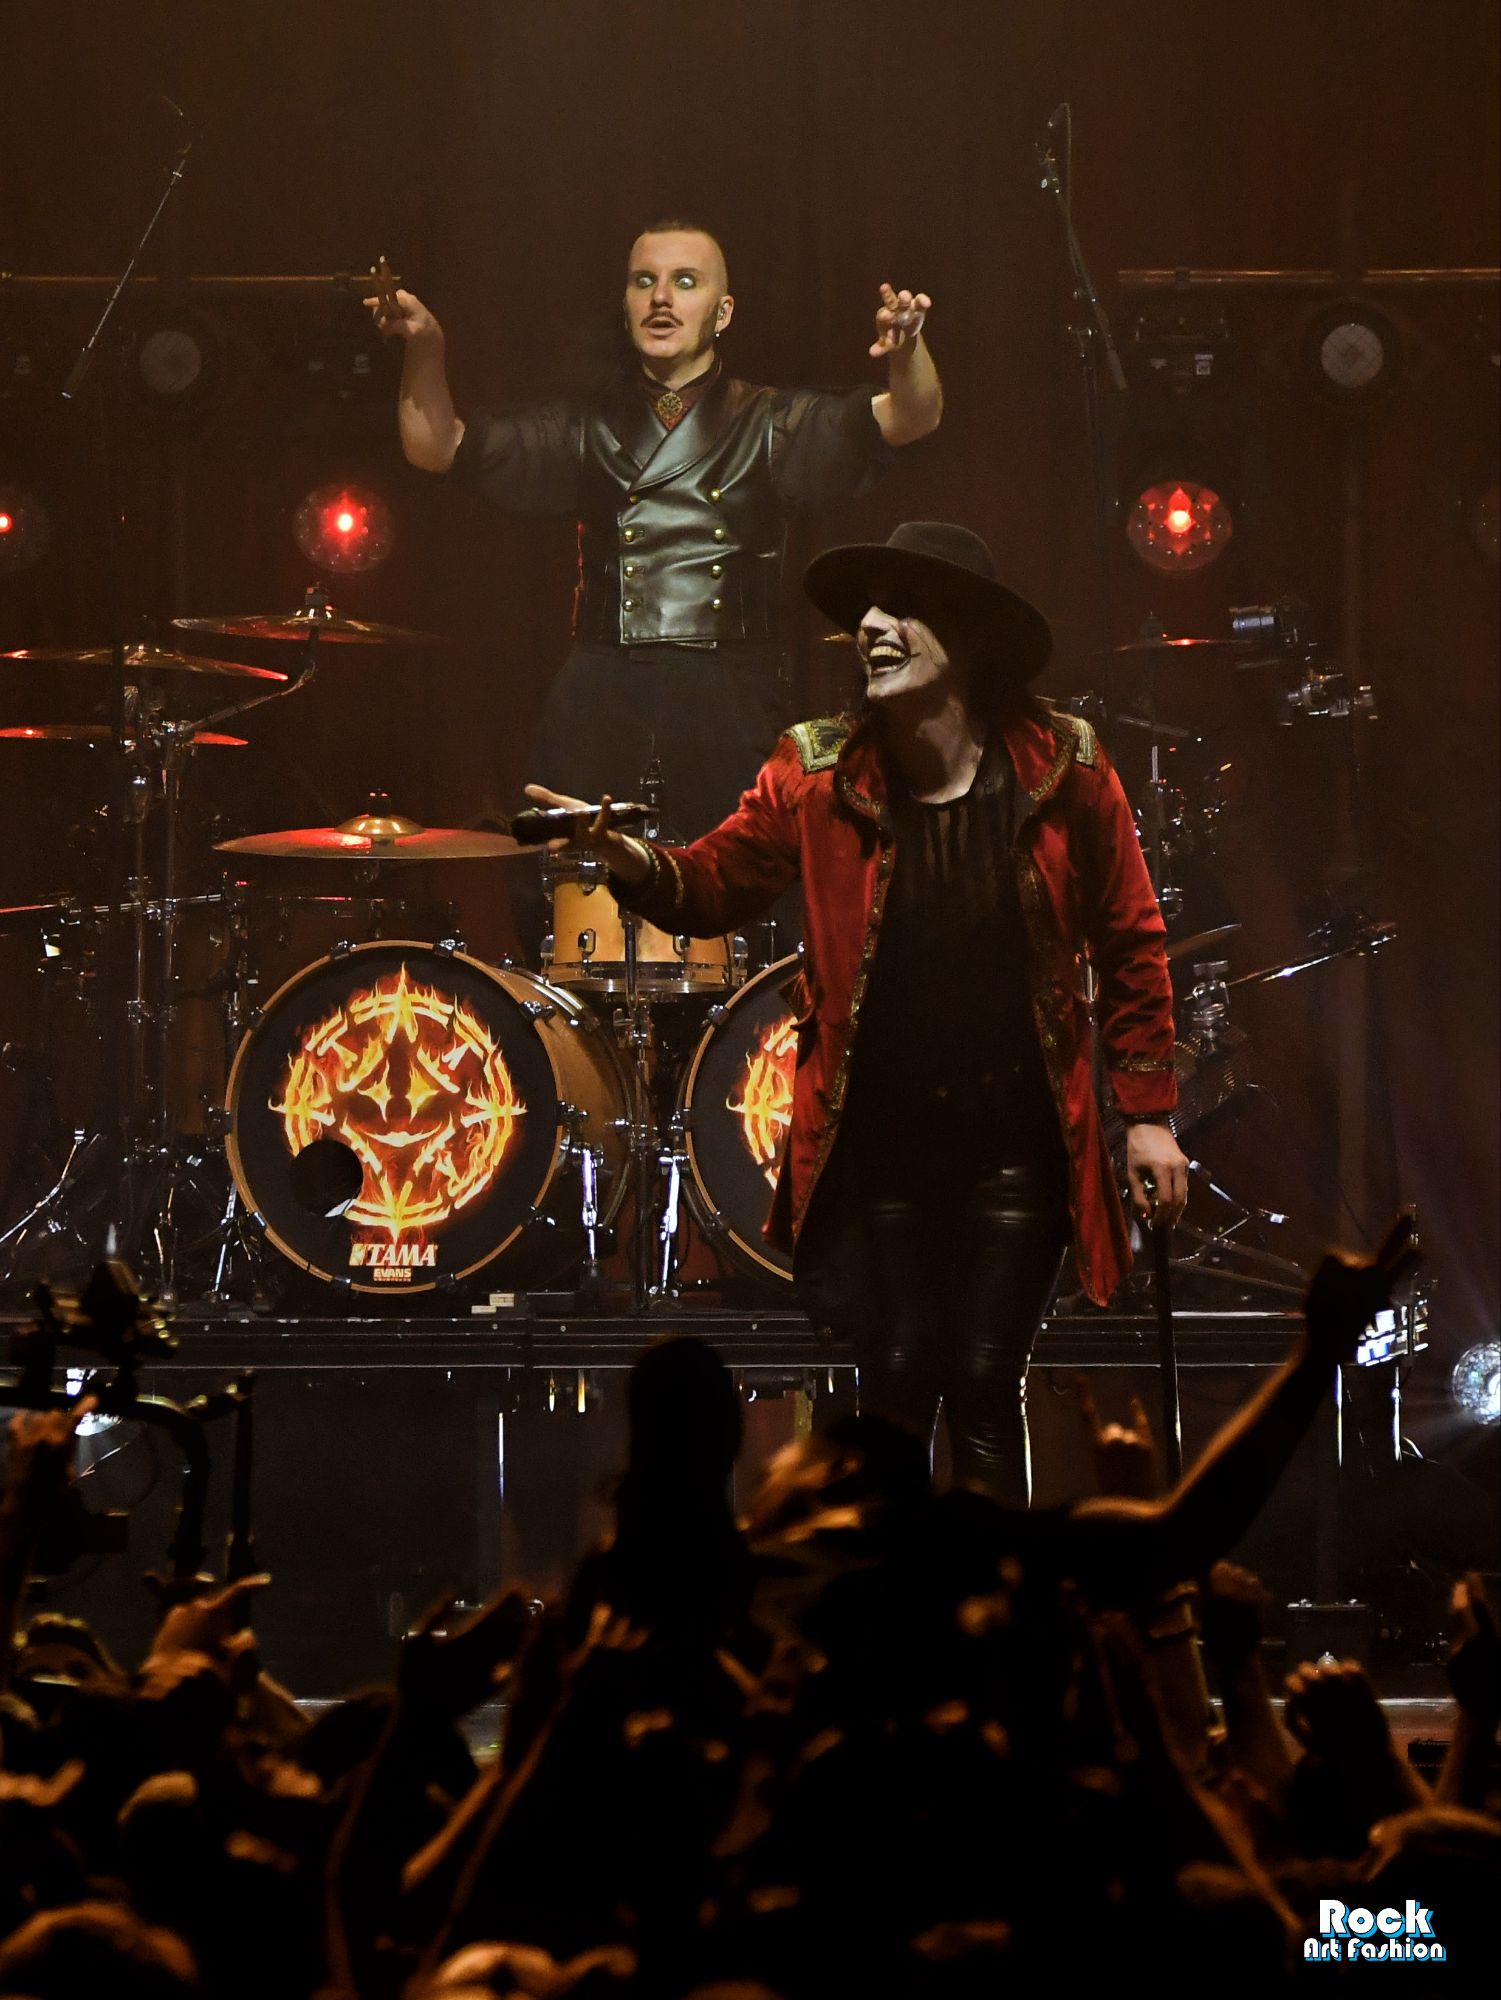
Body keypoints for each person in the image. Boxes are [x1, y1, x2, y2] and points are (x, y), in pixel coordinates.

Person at [526, 520, 1190, 1504]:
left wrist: (1146, 1116)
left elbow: (1132, 941)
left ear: (966, 634)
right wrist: (628, 859)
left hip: (1016, 1139)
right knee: (895, 1385)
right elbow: (710, 884)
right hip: (879, 1142)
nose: (871, 627)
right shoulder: (814, 771)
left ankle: (986, 1593)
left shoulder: (1067, 768)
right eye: (864, 615)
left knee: (981, 1380)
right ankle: (887, 1592)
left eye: (900, 610)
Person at [369, 218, 941, 852]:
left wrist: (907, 351)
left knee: (736, 878)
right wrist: (427, 349)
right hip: (602, 692)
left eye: (685, 282)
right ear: (626, 304)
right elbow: (435, 447)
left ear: (723, 312)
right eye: (644, 281)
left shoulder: (772, 420)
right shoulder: (583, 426)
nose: (661, 298)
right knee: (572, 878)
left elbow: (910, 417)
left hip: (727, 694)